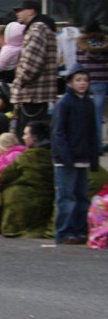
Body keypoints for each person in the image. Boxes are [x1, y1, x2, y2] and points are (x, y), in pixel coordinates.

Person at [51, 64, 101, 245]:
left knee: (81, 197)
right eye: (78, 80)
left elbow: (93, 132)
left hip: (83, 158)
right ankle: (64, 232)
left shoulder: (88, 102)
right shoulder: (64, 102)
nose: (82, 84)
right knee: (67, 197)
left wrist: (94, 157)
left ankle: (79, 231)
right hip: (66, 160)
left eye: (85, 80)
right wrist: (66, 157)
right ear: (70, 82)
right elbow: (59, 133)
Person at [0, 120, 55, 238]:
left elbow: (5, 176)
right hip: (43, 201)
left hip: (27, 202)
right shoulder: (49, 154)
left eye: (26, 134)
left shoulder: (27, 156)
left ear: (35, 137)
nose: (23, 137)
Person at [10, 0, 58, 139]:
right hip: (37, 95)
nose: (17, 13)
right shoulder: (41, 28)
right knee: (38, 138)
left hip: (32, 96)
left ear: (31, 11)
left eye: (20, 10)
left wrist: (20, 81)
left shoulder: (37, 29)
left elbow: (31, 64)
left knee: (29, 139)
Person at [74, 21, 108, 153]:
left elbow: (78, 62)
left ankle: (85, 144)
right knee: (98, 116)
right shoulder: (105, 45)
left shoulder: (80, 44)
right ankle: (97, 146)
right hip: (101, 82)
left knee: (83, 115)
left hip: (84, 82)